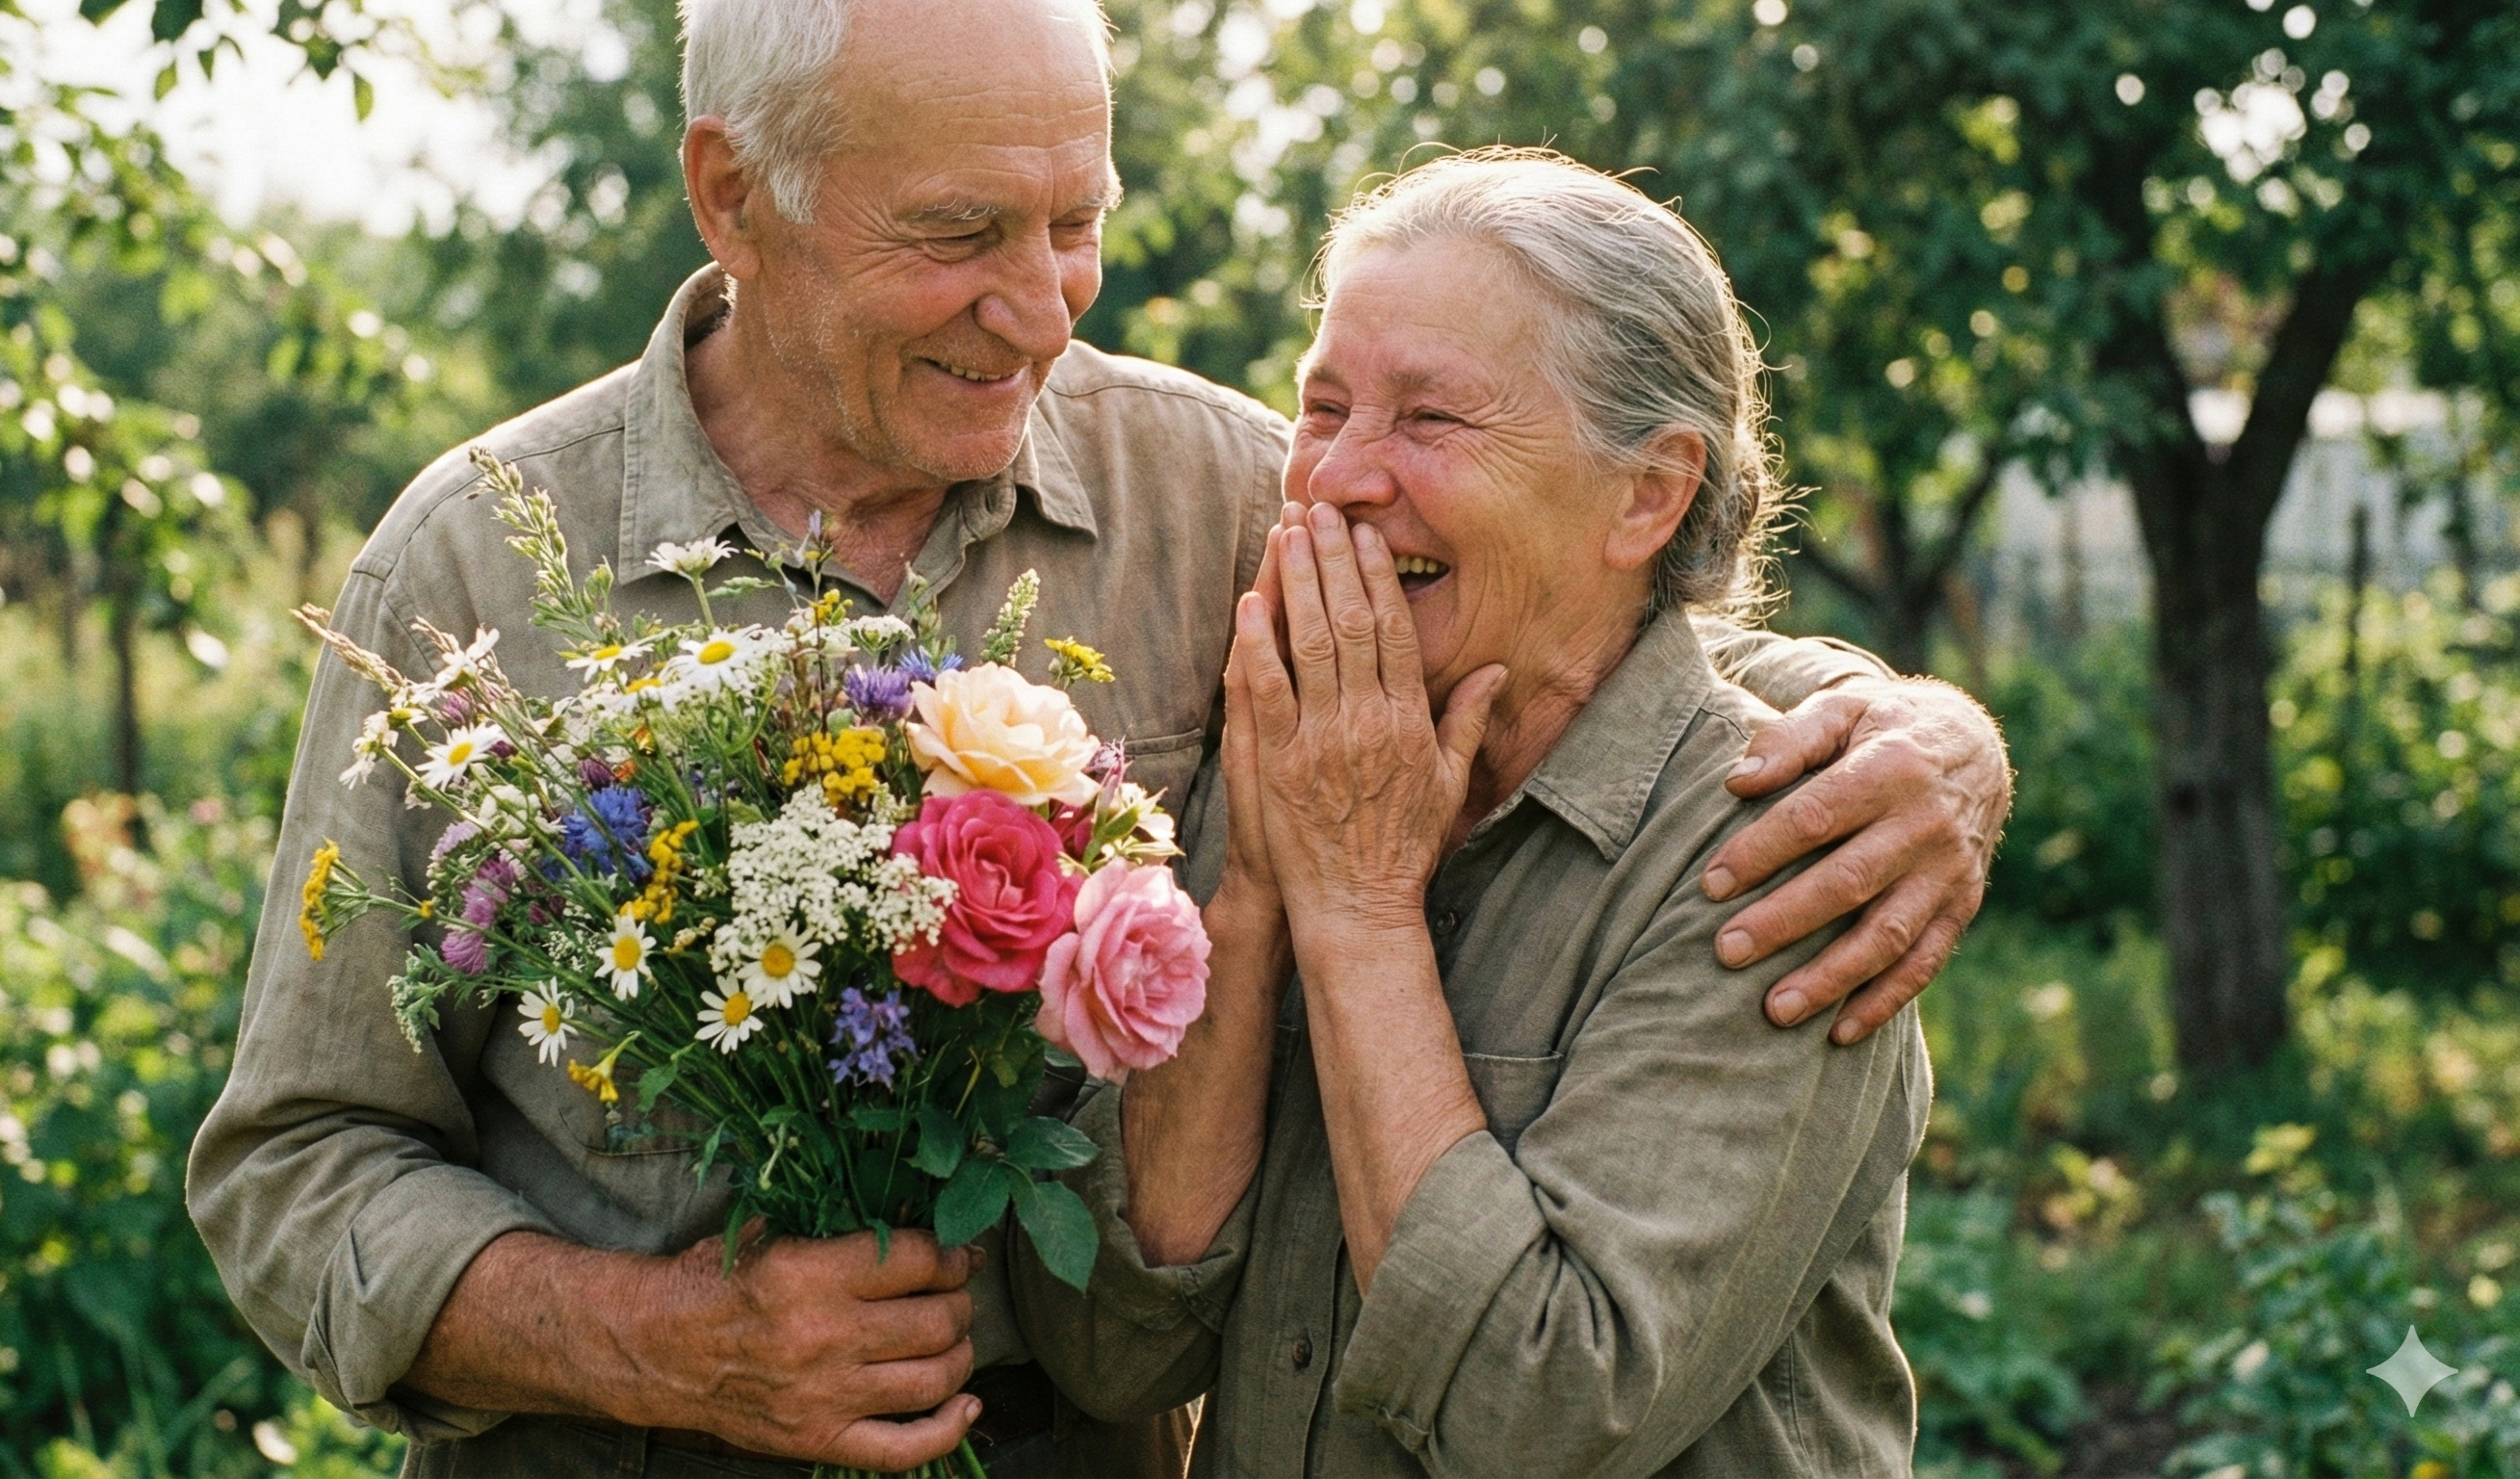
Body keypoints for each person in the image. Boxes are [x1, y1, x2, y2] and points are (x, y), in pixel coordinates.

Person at [186, 4, 2006, 1476]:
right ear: (735, 198)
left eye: (1078, 224)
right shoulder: (478, 565)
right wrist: (667, 1350)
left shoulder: (1218, 492)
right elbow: (292, 1163)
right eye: (961, 233)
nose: (1045, 305)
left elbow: (1578, 641)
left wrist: (1911, 736)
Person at [1012, 150, 1938, 1476]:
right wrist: (1264, 898)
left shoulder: (1786, 848)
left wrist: (1357, 908)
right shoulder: (1304, 750)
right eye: (1322, 407)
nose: (1336, 478)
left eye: (1431, 420)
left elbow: (1535, 1415)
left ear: (1648, 495)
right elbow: (1113, 1349)